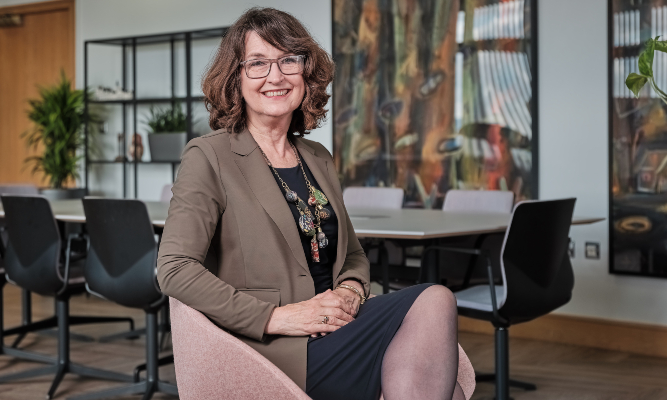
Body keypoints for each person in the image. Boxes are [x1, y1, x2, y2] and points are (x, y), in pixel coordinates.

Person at [157, 7, 464, 400]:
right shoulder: (209, 155)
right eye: (257, 63)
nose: (276, 76)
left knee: (436, 344)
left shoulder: (317, 156)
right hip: (274, 345)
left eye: (289, 60)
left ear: (306, 71)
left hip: (335, 326)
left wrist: (352, 291)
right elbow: (174, 270)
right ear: (235, 78)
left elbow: (351, 253)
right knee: (435, 305)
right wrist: (276, 317)